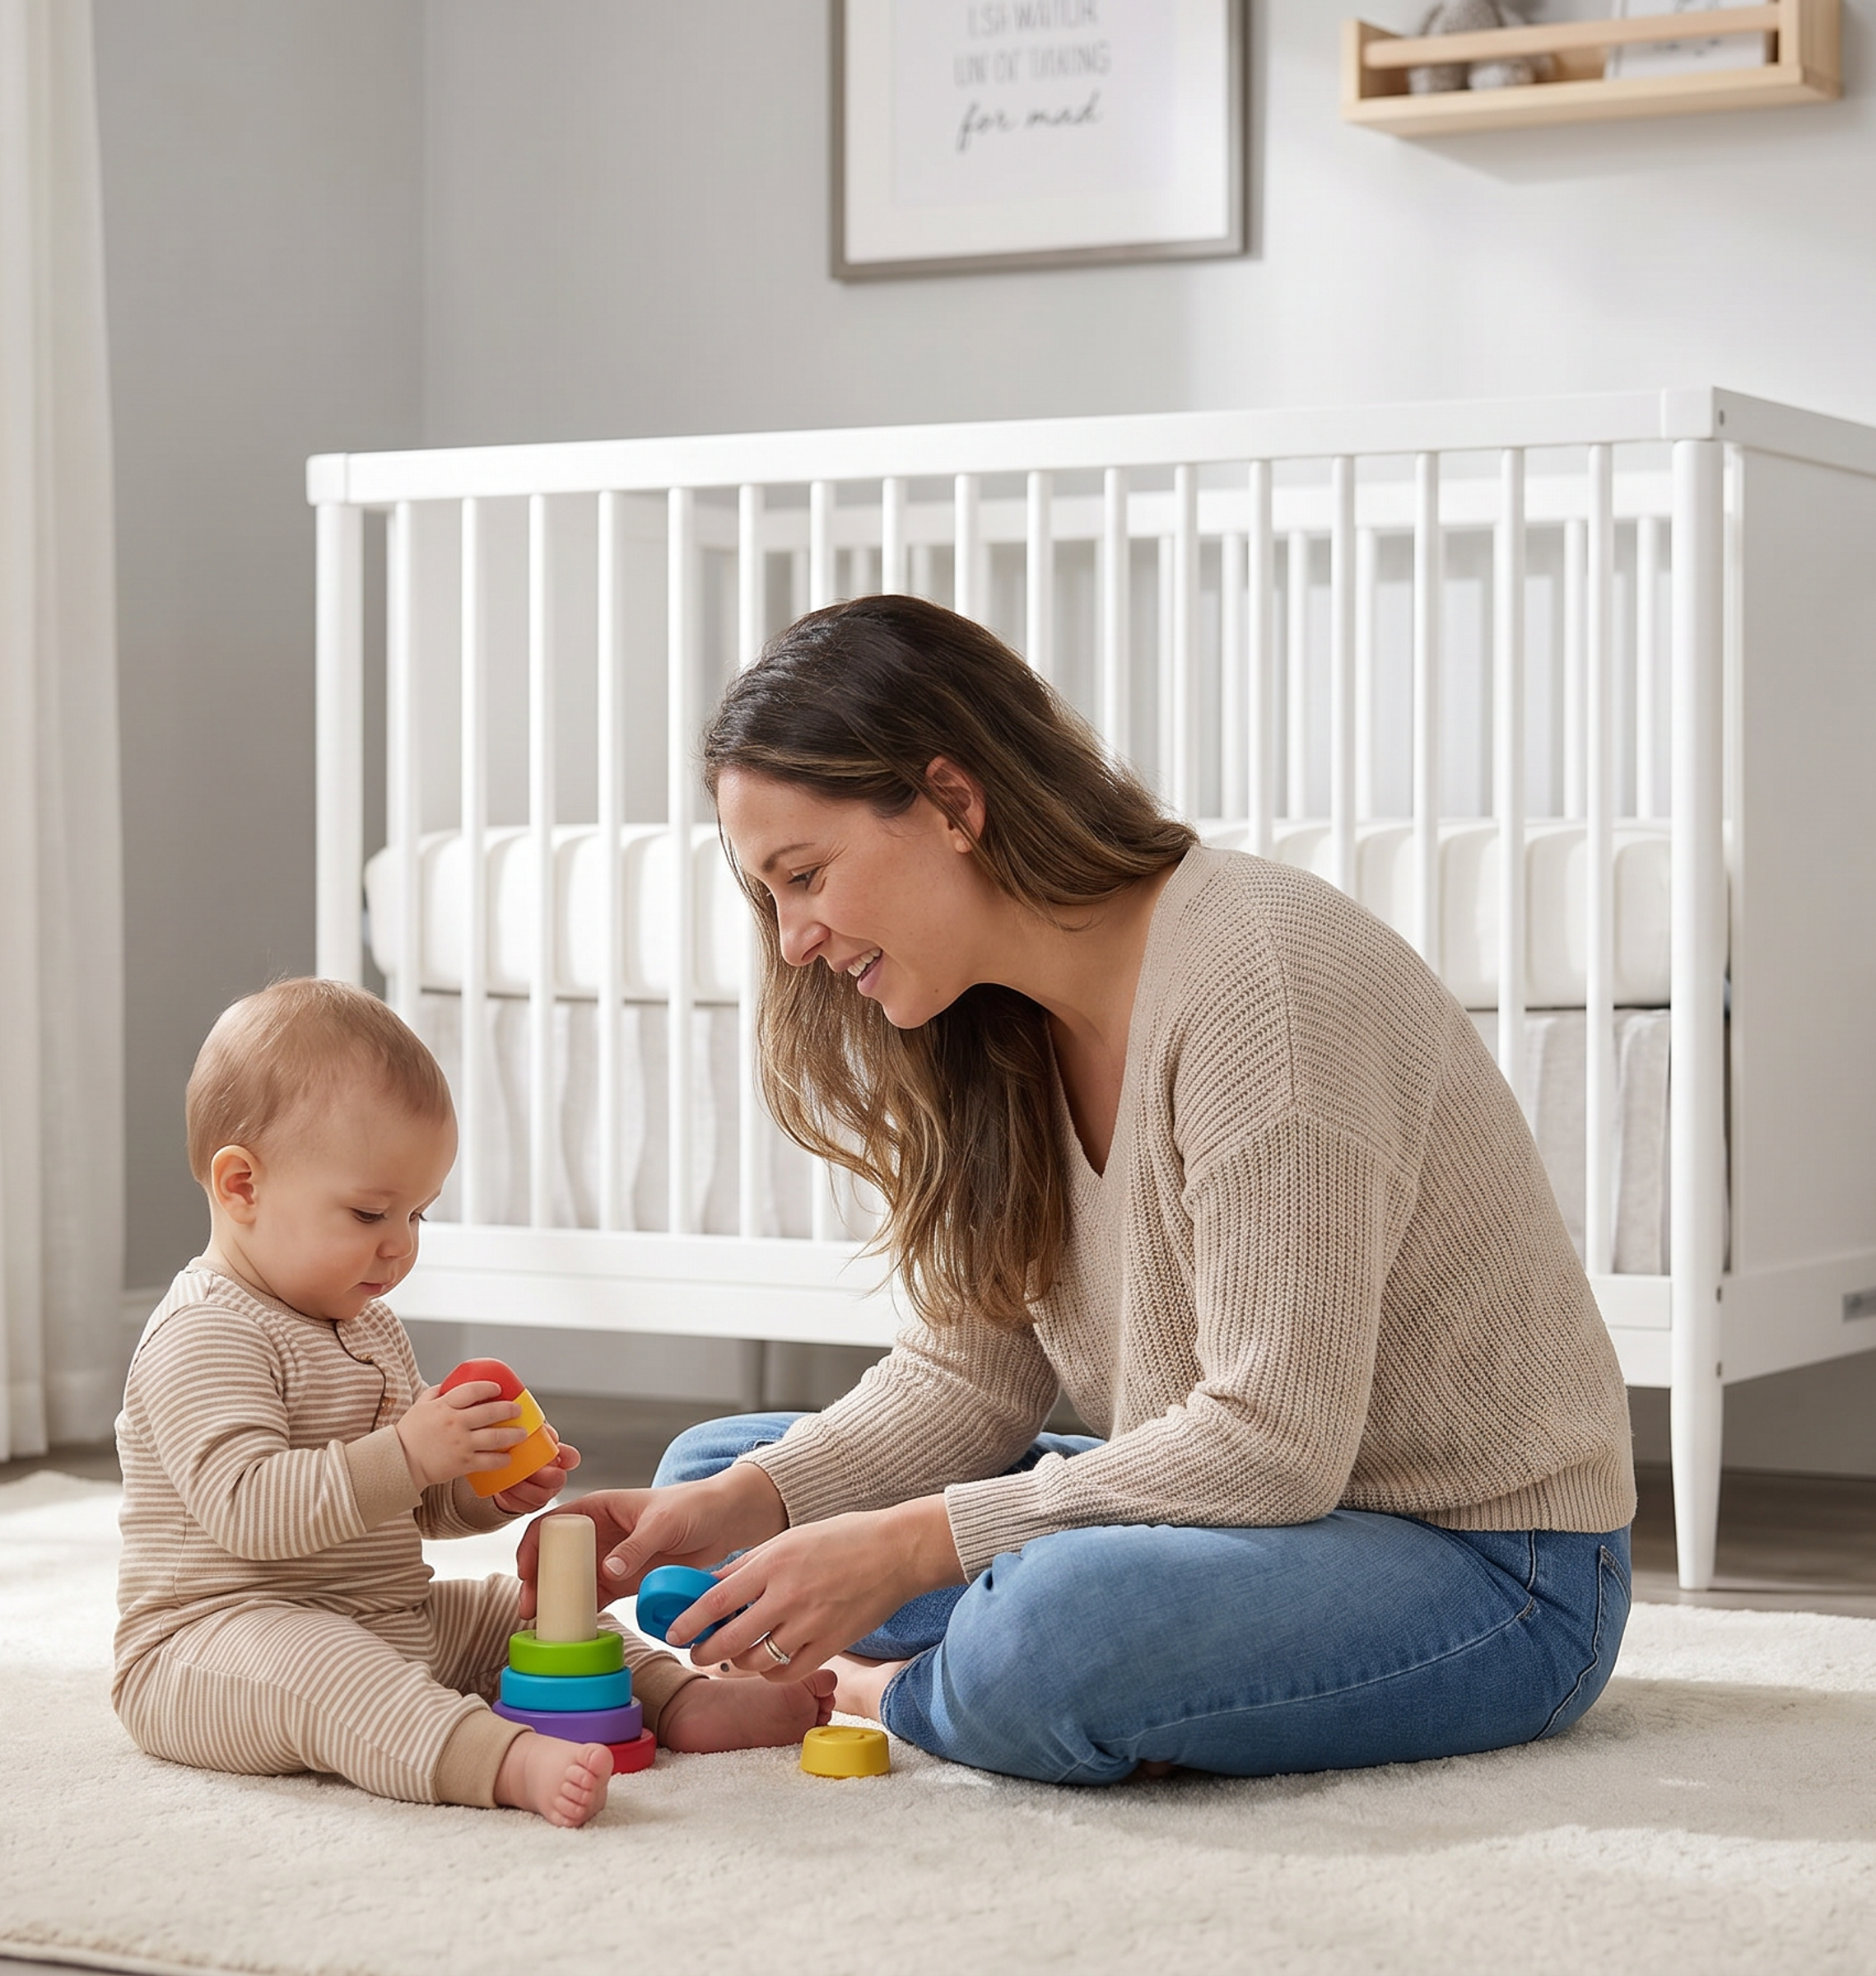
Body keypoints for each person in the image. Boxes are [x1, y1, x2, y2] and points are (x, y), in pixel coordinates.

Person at [525, 594, 1636, 1788]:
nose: (794, 939)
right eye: (771, 897)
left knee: (1057, 1626)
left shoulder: (1261, 979)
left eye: (805, 875)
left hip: (1489, 1566)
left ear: (953, 803)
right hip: (1243, 1524)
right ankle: (1099, 1676)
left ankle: (914, 1687)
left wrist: (913, 1548)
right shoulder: (995, 1025)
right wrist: (754, 1500)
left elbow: (1274, 1445)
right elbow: (972, 1372)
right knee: (715, 1477)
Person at [113, 979, 834, 1828]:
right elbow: (250, 1513)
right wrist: (411, 1453)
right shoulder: (207, 1335)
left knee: (515, 1613)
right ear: (241, 1186)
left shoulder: (368, 1326)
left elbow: (403, 1508)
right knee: (329, 1672)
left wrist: (475, 1489)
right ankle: (501, 1761)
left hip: (386, 1615)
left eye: (419, 1213)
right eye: (371, 1211)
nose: (402, 1244)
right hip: (213, 1645)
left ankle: (674, 1698)